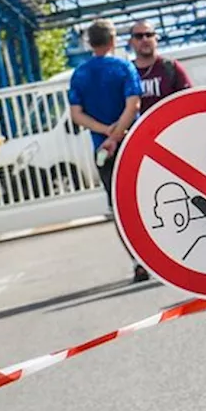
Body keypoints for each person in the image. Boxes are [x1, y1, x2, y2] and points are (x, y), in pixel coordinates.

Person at [68, 19, 147, 282]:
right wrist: (118, 133)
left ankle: (137, 260)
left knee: (120, 207)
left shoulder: (79, 74)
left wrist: (104, 132)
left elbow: (77, 115)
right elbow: (133, 105)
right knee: (146, 197)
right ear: (113, 40)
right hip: (132, 142)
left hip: (102, 148)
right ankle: (157, 253)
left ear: (90, 43)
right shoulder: (124, 67)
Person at [129, 20, 192, 114]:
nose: (145, 39)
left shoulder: (171, 67)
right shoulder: (126, 72)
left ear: (156, 39)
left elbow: (189, 99)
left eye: (149, 35)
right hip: (140, 127)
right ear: (131, 42)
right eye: (139, 36)